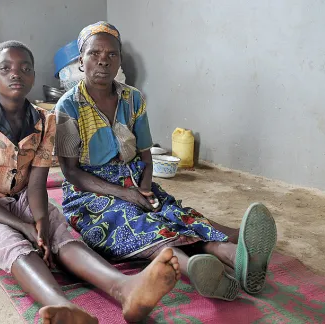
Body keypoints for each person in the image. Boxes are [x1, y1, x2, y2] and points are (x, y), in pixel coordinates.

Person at [0, 40, 181, 324]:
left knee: (58, 233)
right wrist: (24, 227)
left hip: (21, 195)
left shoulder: (46, 121)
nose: (15, 74)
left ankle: (125, 288)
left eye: (25, 68)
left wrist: (41, 222)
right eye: (5, 68)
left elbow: (35, 185)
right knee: (9, 242)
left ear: (33, 76)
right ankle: (64, 307)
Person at [55, 22, 278, 301]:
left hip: (135, 180)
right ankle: (192, 268)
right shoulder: (68, 106)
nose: (103, 60)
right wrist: (125, 194)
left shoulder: (133, 99)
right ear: (81, 60)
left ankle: (233, 256)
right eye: (94, 53)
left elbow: (146, 157)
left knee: (171, 213)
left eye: (112, 54)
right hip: (89, 193)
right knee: (131, 220)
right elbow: (71, 172)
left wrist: (144, 190)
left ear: (120, 59)